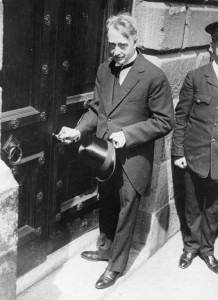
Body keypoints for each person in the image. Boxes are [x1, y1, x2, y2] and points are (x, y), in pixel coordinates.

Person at [58, 13, 174, 289]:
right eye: (112, 45)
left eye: (122, 45)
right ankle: (105, 249)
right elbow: (97, 110)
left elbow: (165, 121)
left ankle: (116, 266)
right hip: (104, 153)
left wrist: (129, 135)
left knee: (126, 210)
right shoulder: (104, 70)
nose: (116, 51)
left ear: (136, 40)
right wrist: (78, 130)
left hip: (133, 159)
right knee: (107, 203)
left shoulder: (154, 76)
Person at [172, 21, 218, 274]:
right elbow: (182, 118)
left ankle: (207, 250)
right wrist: (178, 152)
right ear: (213, 47)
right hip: (195, 154)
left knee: (214, 207)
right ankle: (190, 247)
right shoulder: (196, 77)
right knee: (191, 203)